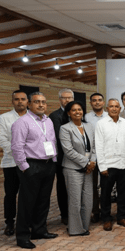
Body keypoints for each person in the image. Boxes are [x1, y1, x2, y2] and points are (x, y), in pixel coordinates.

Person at [11, 92, 58, 249]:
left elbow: (52, 141)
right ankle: (23, 236)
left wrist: (54, 162)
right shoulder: (22, 122)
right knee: (27, 202)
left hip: (48, 164)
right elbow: (17, 147)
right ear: (29, 104)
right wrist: (24, 167)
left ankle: (39, 230)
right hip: (32, 165)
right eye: (37, 102)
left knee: (44, 200)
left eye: (43, 102)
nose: (41, 105)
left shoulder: (48, 121)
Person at [95, 98, 125, 231]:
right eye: (111, 106)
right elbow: (99, 146)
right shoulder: (101, 124)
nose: (114, 108)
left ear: (120, 108)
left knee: (123, 193)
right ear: (107, 108)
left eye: (116, 106)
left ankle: (122, 217)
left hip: (124, 164)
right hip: (108, 165)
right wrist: (102, 166)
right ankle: (106, 219)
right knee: (105, 194)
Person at [59, 101, 96, 236]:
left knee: (87, 199)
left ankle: (85, 226)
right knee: (75, 200)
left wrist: (92, 162)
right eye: (73, 110)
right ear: (68, 113)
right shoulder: (65, 128)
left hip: (89, 167)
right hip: (72, 168)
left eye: (79, 109)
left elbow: (94, 147)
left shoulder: (89, 126)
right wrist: (86, 162)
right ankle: (75, 229)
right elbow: (68, 151)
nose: (77, 112)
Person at [0, 90, 28, 236]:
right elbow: (3, 140)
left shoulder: (34, 117)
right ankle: (10, 222)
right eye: (16, 99)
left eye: (23, 99)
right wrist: (19, 152)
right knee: (10, 194)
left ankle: (27, 221)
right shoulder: (4, 118)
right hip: (11, 162)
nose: (20, 101)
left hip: (30, 163)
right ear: (12, 101)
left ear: (27, 101)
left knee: (28, 194)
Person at [49, 88, 74, 225]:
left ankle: (75, 212)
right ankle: (64, 214)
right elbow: (60, 138)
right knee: (63, 187)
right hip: (62, 159)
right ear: (60, 100)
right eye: (64, 98)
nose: (67, 100)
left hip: (77, 158)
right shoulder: (54, 116)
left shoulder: (78, 113)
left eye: (70, 97)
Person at [85, 92, 108, 223]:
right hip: (91, 157)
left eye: (99, 100)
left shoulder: (109, 116)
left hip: (106, 156)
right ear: (90, 103)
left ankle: (106, 211)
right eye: (94, 100)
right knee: (92, 186)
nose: (97, 102)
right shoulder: (86, 118)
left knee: (105, 185)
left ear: (103, 102)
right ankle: (95, 211)